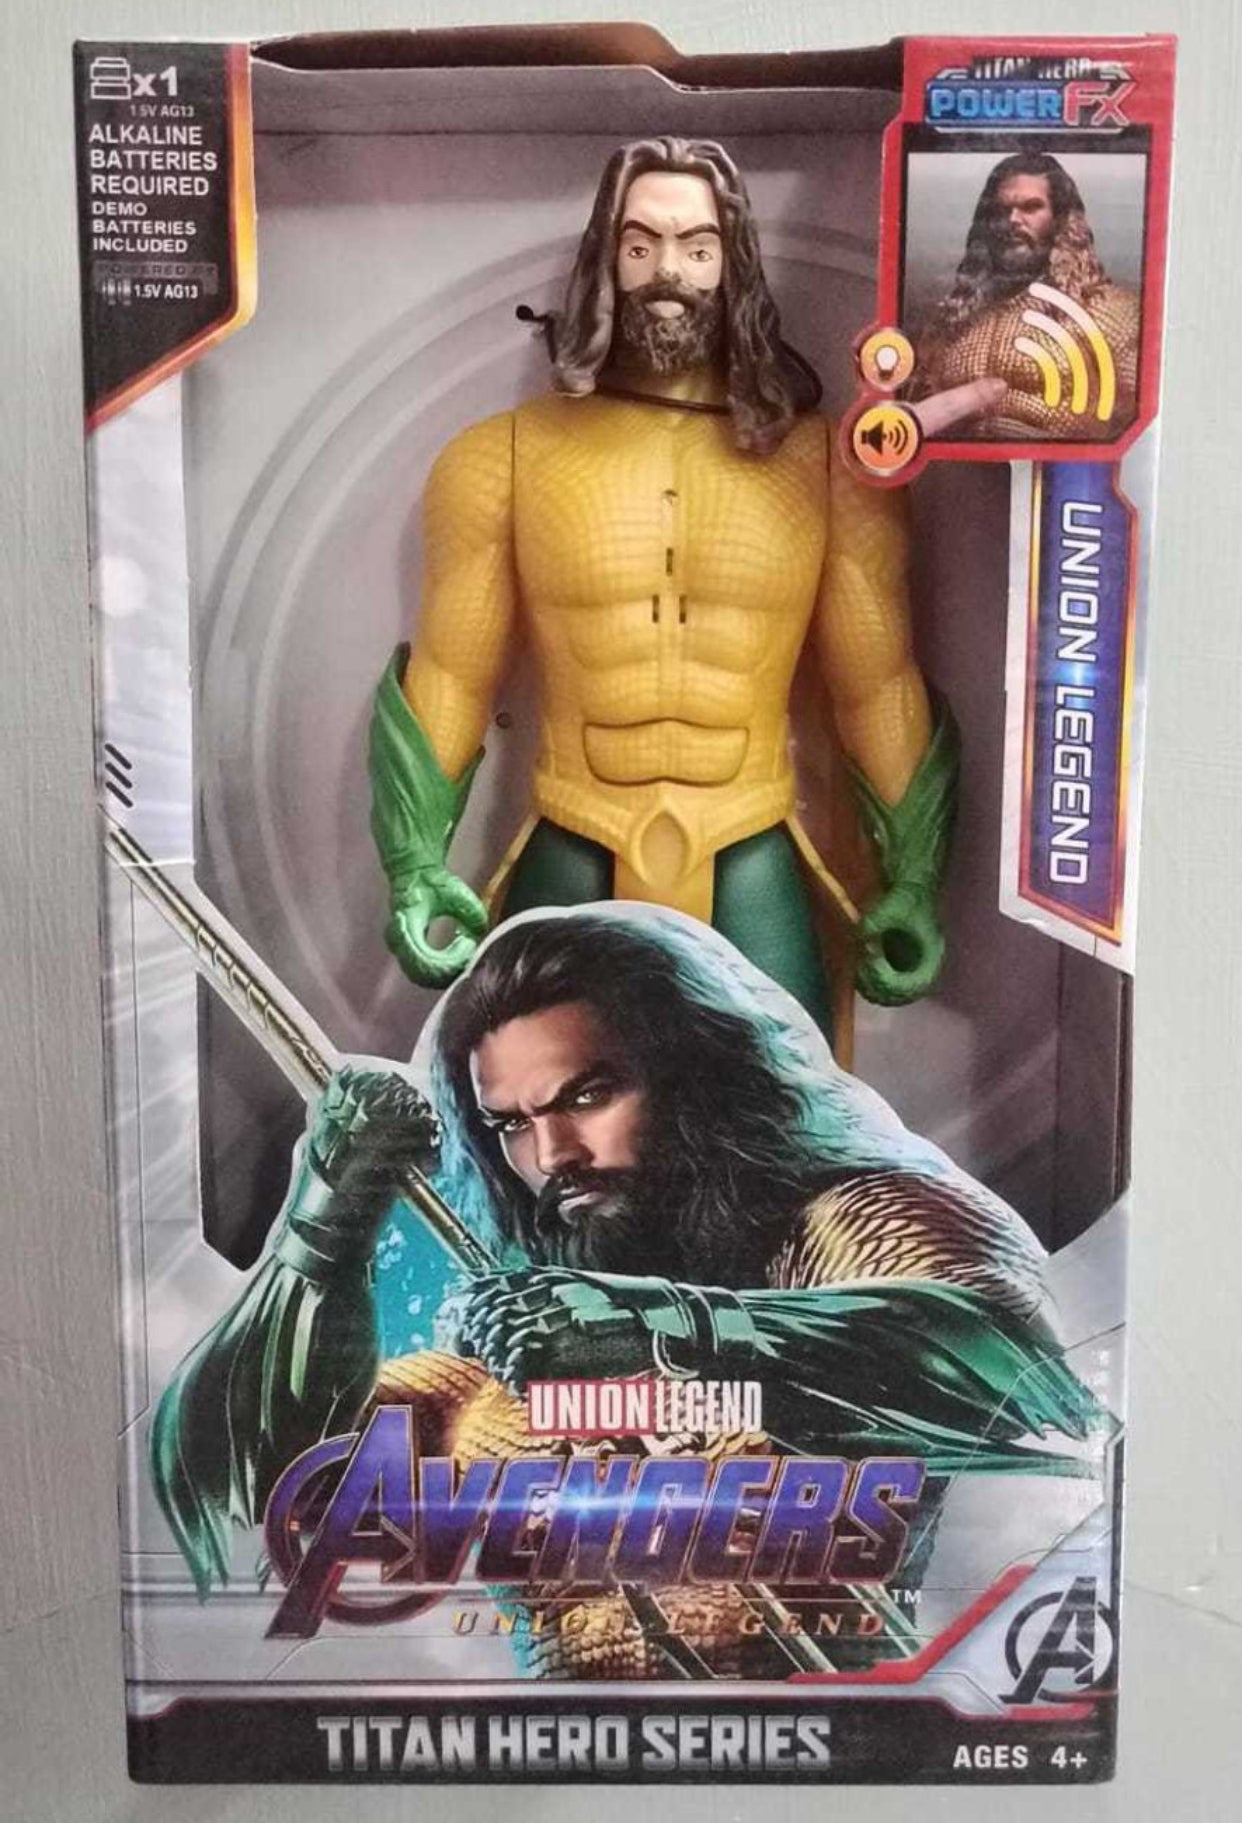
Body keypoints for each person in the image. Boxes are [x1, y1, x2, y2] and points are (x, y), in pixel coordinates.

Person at [151, 911, 1100, 1676]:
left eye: (586, 1095)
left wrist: (664, 1324)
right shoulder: (494, 1345)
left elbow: (1020, 1373)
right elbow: (242, 1486)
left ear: (696, 1077)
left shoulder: (841, 1225)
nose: (551, 1154)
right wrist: (322, 1227)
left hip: (825, 1741)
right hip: (557, 1768)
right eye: (511, 1124)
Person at [369, 136, 965, 1037]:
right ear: (605, 260)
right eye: (641, 245)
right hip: (574, 824)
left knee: (792, 1100)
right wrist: (415, 863)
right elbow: (453, 674)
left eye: (696, 247)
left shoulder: (829, 466)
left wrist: (913, 879)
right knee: (526, 1100)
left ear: (734, 262)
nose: (668, 273)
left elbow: (876, 682)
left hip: (748, 831)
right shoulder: (501, 457)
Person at [914, 151, 1140, 440]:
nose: (1012, 220)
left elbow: (1137, 428)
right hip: (956, 467)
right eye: (1000, 211)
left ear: (1060, 220)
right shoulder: (949, 321)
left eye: (1031, 207)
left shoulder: (1110, 312)